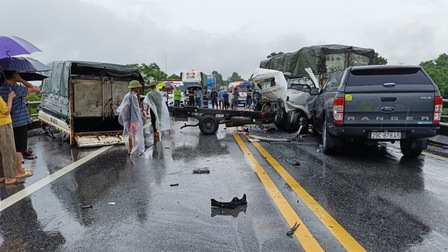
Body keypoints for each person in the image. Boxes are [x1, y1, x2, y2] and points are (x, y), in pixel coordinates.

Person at [0, 71, 39, 178]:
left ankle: (8, 170)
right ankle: (18, 169)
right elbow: (34, 88)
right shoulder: (16, 90)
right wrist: (21, 79)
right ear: (14, 76)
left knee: (10, 147)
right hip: (20, 122)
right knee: (19, 147)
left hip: (7, 123)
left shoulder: (1, 89)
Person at [117, 80, 144, 156]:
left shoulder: (132, 95)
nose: (138, 89)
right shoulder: (131, 96)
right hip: (132, 119)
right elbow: (127, 107)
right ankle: (131, 148)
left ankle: (133, 147)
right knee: (132, 134)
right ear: (134, 88)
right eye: (137, 88)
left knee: (134, 133)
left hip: (133, 118)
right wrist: (127, 117)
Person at [0, 89, 22, 185]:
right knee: (8, 151)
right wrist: (10, 97)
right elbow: (6, 111)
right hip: (3, 124)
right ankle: (9, 178)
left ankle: (2, 175)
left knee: (1, 152)